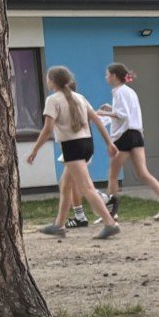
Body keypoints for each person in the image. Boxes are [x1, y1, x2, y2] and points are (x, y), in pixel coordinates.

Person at [25, 65, 120, 241]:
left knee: (86, 187)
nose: (47, 82)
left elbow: (47, 129)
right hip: (87, 144)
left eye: (48, 79)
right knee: (65, 184)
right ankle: (59, 225)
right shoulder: (79, 97)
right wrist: (108, 142)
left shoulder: (53, 100)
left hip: (72, 147)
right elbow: (97, 120)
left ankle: (110, 224)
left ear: (52, 81)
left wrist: (35, 150)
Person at [98, 64, 159, 222]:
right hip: (136, 134)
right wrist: (111, 109)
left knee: (113, 175)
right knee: (143, 173)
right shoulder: (130, 91)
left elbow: (123, 115)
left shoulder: (118, 92)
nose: (106, 77)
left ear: (114, 76)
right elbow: (126, 113)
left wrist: (102, 113)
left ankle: (111, 213)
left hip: (124, 136)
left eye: (107, 74)